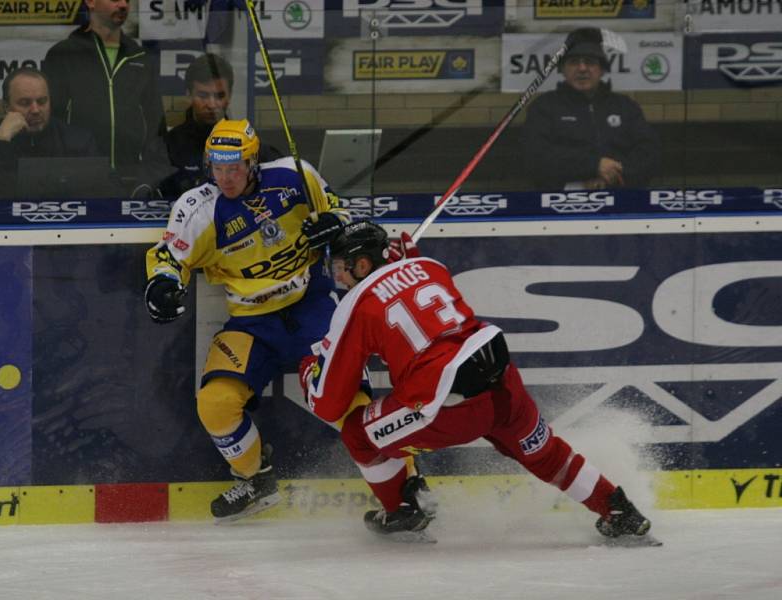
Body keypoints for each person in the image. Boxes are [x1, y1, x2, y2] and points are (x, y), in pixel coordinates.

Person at [299, 221, 653, 542]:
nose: (339, 280)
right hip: (501, 380)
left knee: (359, 435)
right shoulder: (431, 267)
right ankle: (618, 509)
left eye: (342, 270)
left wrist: (308, 372)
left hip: (446, 405)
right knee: (544, 454)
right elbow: (414, 301)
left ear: (363, 265)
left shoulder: (354, 306)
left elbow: (329, 401)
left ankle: (401, 512)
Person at [144, 118, 381, 522]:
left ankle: (405, 485)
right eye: (217, 168)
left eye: (234, 167)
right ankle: (255, 479)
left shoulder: (296, 176)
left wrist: (334, 226)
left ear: (253, 162)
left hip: (312, 305)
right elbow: (169, 256)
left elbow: (341, 212)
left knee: (350, 402)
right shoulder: (198, 208)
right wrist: (162, 285)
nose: (225, 177)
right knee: (215, 404)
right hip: (252, 321)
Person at [43, 0, 170, 186]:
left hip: (132, 175)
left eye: (127, 0)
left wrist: (152, 173)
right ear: (91, 2)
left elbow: (156, 123)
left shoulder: (140, 57)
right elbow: (52, 120)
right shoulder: (64, 54)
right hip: (78, 176)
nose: (123, 5)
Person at [521, 27, 660, 191]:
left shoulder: (625, 106)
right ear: (562, 70)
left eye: (590, 62)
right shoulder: (544, 107)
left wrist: (612, 176)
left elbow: (649, 152)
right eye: (574, 62)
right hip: (560, 201)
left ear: (602, 69)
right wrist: (593, 167)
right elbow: (535, 157)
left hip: (620, 195)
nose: (582, 68)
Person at [163, 53, 282, 196]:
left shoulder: (252, 147)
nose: (212, 105)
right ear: (188, 94)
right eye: (203, 95)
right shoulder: (167, 147)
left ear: (230, 95)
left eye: (219, 96)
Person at [0, 68, 99, 199]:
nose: (36, 110)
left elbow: (106, 192)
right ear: (6, 107)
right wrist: (2, 142)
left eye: (42, 101)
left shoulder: (77, 140)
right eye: (25, 103)